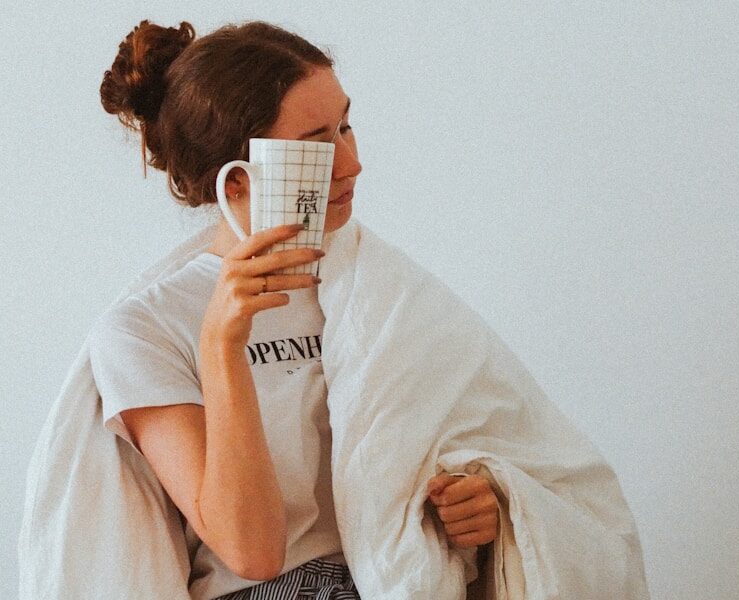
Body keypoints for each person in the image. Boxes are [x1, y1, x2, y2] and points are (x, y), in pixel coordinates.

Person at [93, 20, 500, 599]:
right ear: (233, 180)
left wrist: (472, 509)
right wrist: (221, 344)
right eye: (314, 144)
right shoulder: (146, 329)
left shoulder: (378, 287)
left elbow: (454, 447)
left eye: (346, 126)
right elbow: (251, 552)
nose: (351, 163)